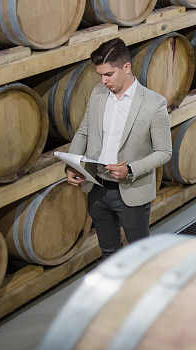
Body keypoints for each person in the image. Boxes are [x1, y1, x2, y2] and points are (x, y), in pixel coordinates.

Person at [65, 38, 172, 258]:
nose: (103, 81)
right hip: (97, 187)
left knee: (138, 254)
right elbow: (84, 131)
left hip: (131, 191)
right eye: (100, 75)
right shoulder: (97, 93)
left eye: (108, 74)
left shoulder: (153, 103)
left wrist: (130, 169)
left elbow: (164, 152)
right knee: (108, 251)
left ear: (126, 67)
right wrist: (72, 164)